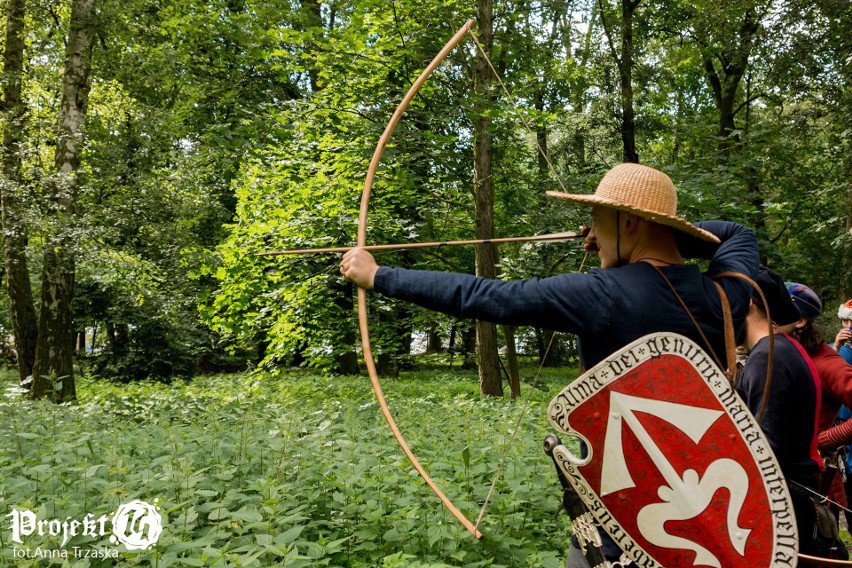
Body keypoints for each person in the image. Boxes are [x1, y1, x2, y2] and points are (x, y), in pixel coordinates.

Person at [341, 162, 759, 567]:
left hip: (622, 521)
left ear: (630, 223)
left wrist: (379, 275)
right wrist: (658, 237)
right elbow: (738, 233)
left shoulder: (603, 294)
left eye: (597, 220)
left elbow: (489, 296)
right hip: (708, 513)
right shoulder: (726, 296)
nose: (590, 233)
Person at [738, 268, 822, 556]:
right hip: (792, 501)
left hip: (782, 510)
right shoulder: (784, 349)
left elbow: (763, 455)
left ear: (746, 302)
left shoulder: (768, 357)